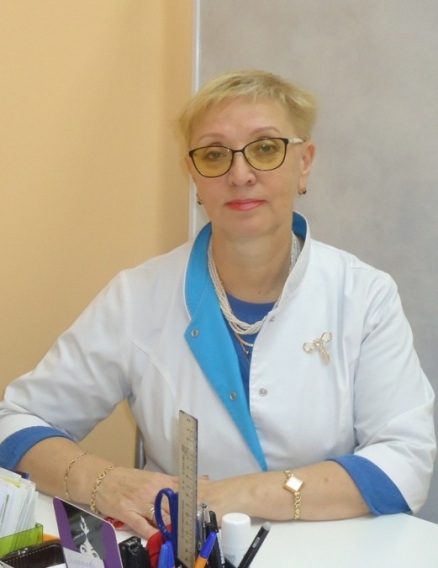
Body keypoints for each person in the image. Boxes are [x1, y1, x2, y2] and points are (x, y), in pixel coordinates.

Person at [0, 70, 435, 540]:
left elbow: (405, 462)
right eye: (214, 154)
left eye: (265, 148)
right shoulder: (138, 297)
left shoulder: (364, 295)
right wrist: (104, 482)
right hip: (183, 553)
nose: (240, 174)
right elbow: (14, 424)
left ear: (304, 163)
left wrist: (232, 496)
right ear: (193, 175)